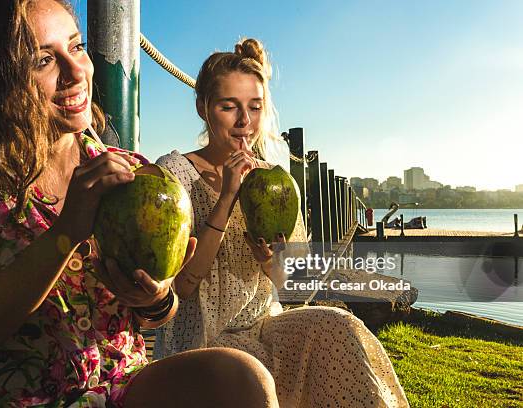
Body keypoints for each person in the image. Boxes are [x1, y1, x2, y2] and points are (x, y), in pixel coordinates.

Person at [0, 1, 280, 407]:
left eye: (77, 47)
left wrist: (155, 299)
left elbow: (162, 310)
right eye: (44, 60)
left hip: (119, 388)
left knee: (241, 378)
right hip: (11, 398)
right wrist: (65, 233)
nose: (76, 73)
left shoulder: (134, 177)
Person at [154, 38, 410, 408]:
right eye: (229, 107)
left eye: (255, 108)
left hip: (264, 326)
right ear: (203, 108)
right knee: (251, 375)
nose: (245, 121)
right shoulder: (175, 172)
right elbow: (183, 284)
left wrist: (271, 262)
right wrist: (226, 198)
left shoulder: (276, 182)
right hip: (201, 339)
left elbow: (291, 284)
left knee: (339, 327)